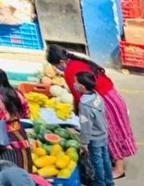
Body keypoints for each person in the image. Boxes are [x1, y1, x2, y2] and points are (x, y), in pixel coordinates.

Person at [47, 46, 136, 178]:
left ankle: (118, 169)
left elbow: (80, 97)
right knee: (117, 131)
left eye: (55, 66)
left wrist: (78, 113)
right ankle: (115, 161)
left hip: (103, 101)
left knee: (111, 133)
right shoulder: (78, 62)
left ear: (61, 62)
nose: (56, 69)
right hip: (112, 96)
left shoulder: (71, 72)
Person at [75, 72, 115, 186]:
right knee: (105, 158)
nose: (74, 84)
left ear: (82, 86)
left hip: (94, 136)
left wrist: (84, 143)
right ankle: (109, 181)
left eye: (75, 82)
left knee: (96, 161)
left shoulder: (84, 104)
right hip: (103, 132)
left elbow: (86, 126)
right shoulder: (97, 96)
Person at [0, 69, 30, 168]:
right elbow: (26, 113)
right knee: (22, 163)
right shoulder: (16, 93)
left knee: (6, 167)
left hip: (4, 137)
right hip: (19, 133)